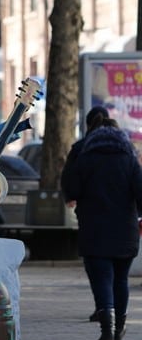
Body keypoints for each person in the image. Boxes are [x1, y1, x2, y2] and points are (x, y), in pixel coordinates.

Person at [63, 114, 142, 340]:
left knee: (102, 279)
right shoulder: (129, 159)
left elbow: (71, 188)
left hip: (94, 228)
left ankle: (106, 330)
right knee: (120, 280)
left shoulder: (85, 158)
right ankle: (119, 328)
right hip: (124, 230)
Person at [61, 106, 110, 322]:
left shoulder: (81, 148)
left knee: (94, 261)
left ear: (88, 124)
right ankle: (113, 308)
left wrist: (71, 196)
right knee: (115, 263)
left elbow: (69, 177)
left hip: (89, 213)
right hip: (120, 216)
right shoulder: (123, 147)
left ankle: (103, 306)